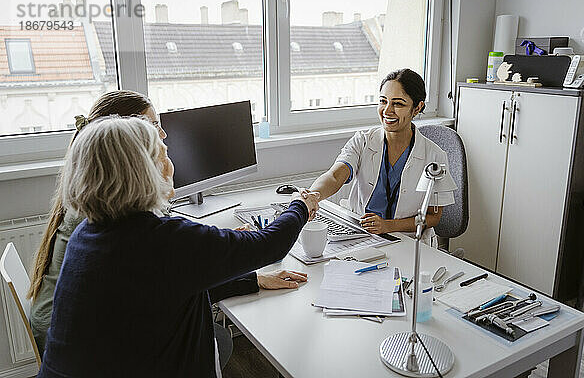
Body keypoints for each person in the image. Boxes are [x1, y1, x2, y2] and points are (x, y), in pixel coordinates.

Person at [27, 90, 308, 361]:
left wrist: (250, 279)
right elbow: (270, 245)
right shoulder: (161, 239)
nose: (171, 161)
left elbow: (163, 285)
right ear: (141, 169)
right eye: (162, 154)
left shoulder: (93, 232)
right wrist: (300, 205)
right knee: (216, 338)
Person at [308, 69, 456, 240]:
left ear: (417, 108)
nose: (387, 110)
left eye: (398, 104)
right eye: (383, 101)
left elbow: (433, 217)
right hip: (361, 233)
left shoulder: (435, 156)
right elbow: (335, 176)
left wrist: (388, 225)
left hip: (406, 239)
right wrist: (313, 196)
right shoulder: (362, 141)